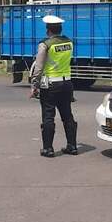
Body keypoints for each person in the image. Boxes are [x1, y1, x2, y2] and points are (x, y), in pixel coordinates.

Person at [29, 15, 77, 157]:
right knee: (67, 115)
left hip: (50, 85)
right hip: (67, 83)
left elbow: (38, 67)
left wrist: (34, 85)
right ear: (60, 29)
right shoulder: (69, 42)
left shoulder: (45, 45)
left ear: (48, 30)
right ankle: (72, 146)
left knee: (48, 116)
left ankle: (48, 149)